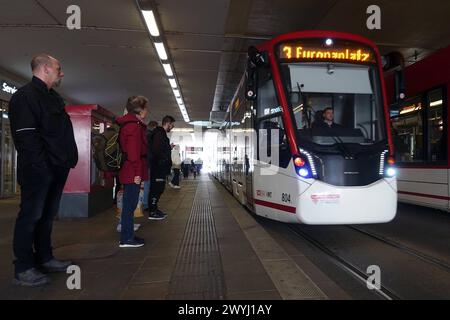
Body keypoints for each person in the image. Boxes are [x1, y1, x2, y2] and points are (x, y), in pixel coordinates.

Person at [8, 53, 78, 286]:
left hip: (57, 167)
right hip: (39, 170)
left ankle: (45, 257)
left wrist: (65, 161)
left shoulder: (52, 98)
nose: (62, 73)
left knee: (47, 216)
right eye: (59, 68)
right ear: (46, 69)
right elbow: (26, 138)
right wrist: (42, 167)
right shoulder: (25, 97)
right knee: (31, 216)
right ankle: (24, 267)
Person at [116, 95, 149, 248]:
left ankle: (128, 235)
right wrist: (137, 173)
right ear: (140, 109)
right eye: (145, 108)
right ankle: (126, 238)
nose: (147, 111)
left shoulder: (129, 124)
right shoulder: (134, 126)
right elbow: (133, 152)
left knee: (129, 204)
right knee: (130, 205)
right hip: (132, 170)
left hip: (129, 168)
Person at [148, 115, 175, 220]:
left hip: (159, 166)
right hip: (158, 166)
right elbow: (156, 150)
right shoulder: (160, 133)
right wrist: (164, 158)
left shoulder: (160, 134)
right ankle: (153, 211)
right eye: (172, 125)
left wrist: (168, 148)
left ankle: (154, 209)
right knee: (156, 189)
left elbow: (159, 148)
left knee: (158, 189)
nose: (172, 127)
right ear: (167, 123)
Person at [142, 120, 158, 212]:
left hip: (143, 161)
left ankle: (143, 202)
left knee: (144, 183)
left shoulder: (144, 133)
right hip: (148, 162)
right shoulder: (151, 136)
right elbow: (152, 151)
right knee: (148, 183)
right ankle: (145, 203)